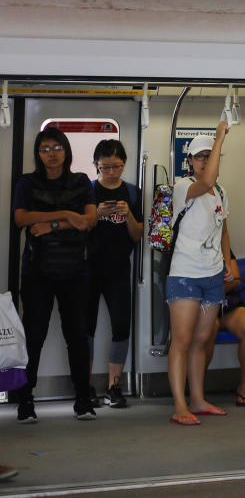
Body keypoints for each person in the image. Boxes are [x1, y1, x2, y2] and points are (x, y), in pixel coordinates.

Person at [12, 127, 98, 422]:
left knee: (77, 335)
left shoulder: (81, 181)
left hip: (75, 271)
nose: (51, 154)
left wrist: (53, 225)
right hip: (37, 271)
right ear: (38, 154)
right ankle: (25, 401)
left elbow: (90, 220)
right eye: (45, 148)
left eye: (57, 147)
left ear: (66, 150)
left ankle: (83, 400)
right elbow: (21, 218)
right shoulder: (26, 182)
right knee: (33, 336)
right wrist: (66, 215)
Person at [165, 122, 231, 426]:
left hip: (212, 273)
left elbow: (223, 225)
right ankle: (180, 405)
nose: (205, 160)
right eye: (200, 156)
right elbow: (205, 181)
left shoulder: (220, 191)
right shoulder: (183, 187)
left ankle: (198, 399)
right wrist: (219, 139)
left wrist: (227, 259)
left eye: (210, 155)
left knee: (203, 339)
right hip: (185, 274)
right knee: (182, 339)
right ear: (190, 160)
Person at [86, 139, 142, 409]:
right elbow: (78, 228)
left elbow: (137, 234)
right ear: (96, 166)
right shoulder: (87, 191)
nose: (111, 172)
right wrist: (96, 213)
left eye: (117, 166)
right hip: (86, 268)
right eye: (105, 167)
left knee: (121, 325)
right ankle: (83, 386)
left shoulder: (132, 192)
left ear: (124, 165)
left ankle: (113, 386)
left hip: (119, 268)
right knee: (84, 328)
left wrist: (128, 213)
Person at [203, 254, 245, 407]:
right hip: (203, 306)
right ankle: (198, 391)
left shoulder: (223, 247)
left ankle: (244, 388)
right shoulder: (188, 244)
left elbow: (234, 279)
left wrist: (209, 287)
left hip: (228, 303)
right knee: (208, 328)